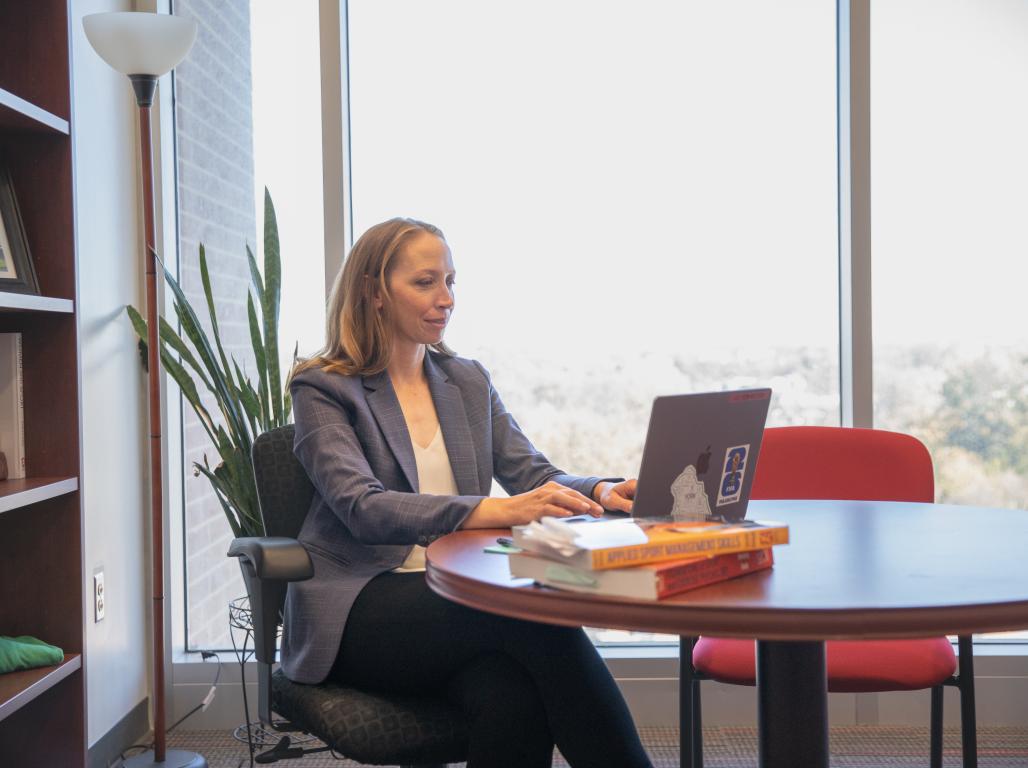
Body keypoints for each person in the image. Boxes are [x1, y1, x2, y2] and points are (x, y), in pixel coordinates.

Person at [286, 217, 653, 768]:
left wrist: (600, 489)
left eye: (451, 282)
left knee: (513, 699)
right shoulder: (323, 387)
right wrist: (494, 510)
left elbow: (531, 474)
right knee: (534, 610)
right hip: (362, 607)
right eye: (426, 282)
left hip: (459, 600)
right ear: (374, 292)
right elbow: (363, 508)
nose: (446, 299)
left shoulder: (467, 381)